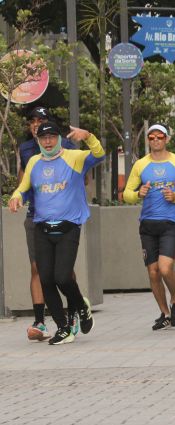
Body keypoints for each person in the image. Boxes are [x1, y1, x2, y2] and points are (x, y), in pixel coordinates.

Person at [9, 122, 105, 345]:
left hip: (68, 226)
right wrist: (16, 197)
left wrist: (88, 135)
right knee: (46, 279)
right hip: (42, 227)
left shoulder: (74, 157)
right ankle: (63, 328)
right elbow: (24, 187)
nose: (48, 141)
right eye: (44, 138)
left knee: (62, 276)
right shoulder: (34, 161)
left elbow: (99, 155)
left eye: (52, 137)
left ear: (59, 139)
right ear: (39, 141)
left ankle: (81, 306)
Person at [123, 124, 175, 330]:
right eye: (152, 137)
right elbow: (126, 194)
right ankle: (165, 313)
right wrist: (137, 194)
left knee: (165, 268)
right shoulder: (140, 165)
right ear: (148, 140)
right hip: (148, 223)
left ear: (167, 139)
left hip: (171, 222)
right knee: (153, 272)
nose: (156, 140)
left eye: (160, 137)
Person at [17, 107, 78, 341]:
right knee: (38, 268)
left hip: (63, 216)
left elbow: (81, 174)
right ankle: (40, 321)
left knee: (63, 271)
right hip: (35, 215)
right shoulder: (25, 149)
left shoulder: (68, 147)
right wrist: (17, 196)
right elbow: (23, 181)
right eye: (32, 121)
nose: (35, 124)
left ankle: (74, 310)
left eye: (41, 120)